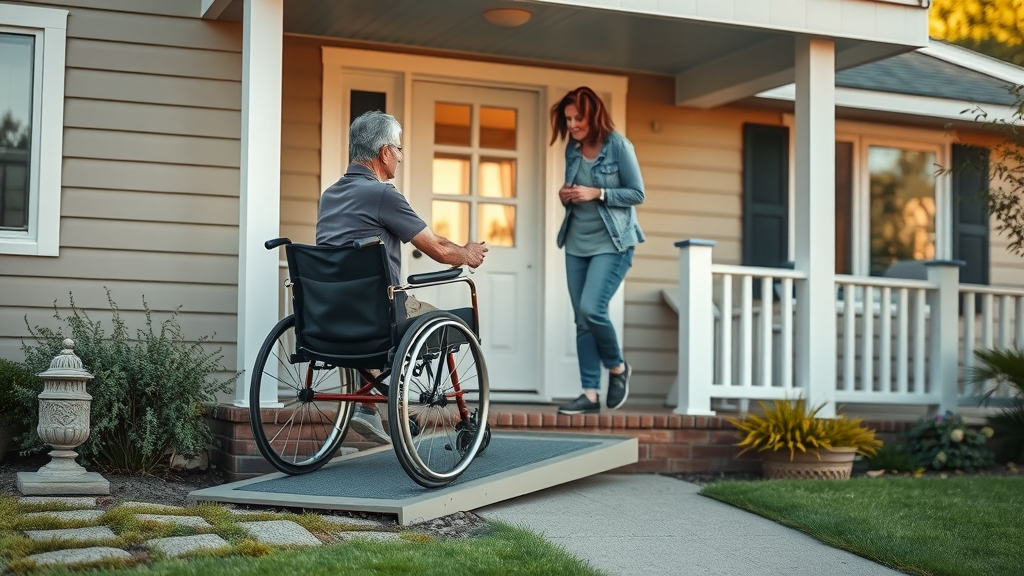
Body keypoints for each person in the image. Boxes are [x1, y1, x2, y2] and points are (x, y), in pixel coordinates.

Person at [316, 110, 488, 443]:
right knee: (448, 320)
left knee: (370, 302)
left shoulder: (330, 196)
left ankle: (367, 405)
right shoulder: (383, 194)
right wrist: (467, 254)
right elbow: (436, 246)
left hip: (329, 314)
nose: (401, 156)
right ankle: (465, 419)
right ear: (383, 153)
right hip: (379, 316)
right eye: (399, 148)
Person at [550, 87, 645, 415]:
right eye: (568, 119)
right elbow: (576, 191)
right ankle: (590, 393)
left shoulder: (619, 146)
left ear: (594, 116)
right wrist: (567, 195)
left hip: (613, 243)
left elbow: (637, 193)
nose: (573, 124)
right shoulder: (572, 149)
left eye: (578, 118)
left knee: (593, 308)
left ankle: (618, 369)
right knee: (582, 320)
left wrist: (599, 193)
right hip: (576, 243)